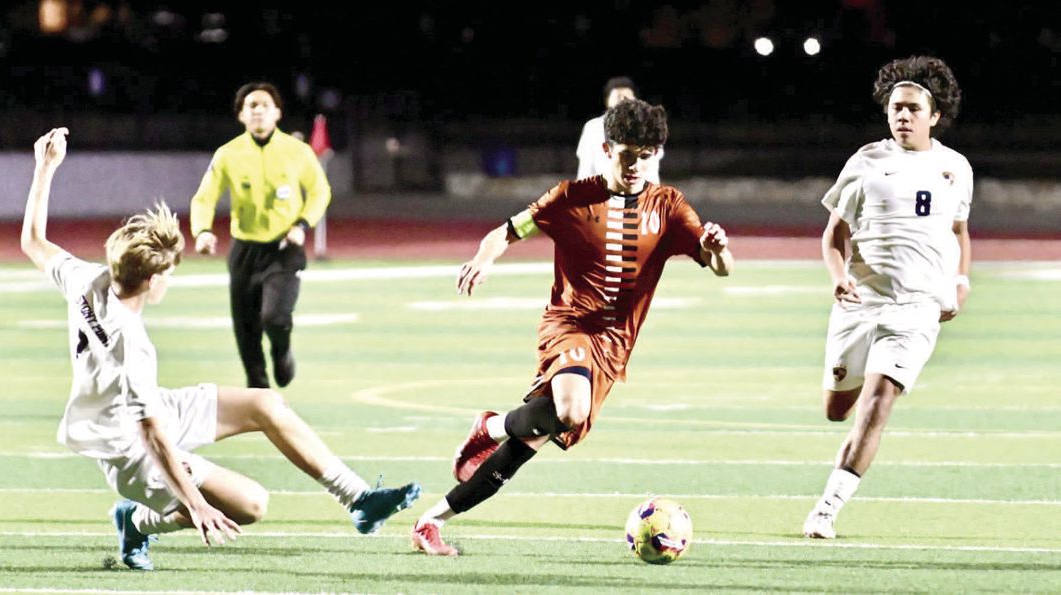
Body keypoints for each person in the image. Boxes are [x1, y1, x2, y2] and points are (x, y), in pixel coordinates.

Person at [21, 128, 419, 570]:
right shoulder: (130, 346)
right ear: (152, 281)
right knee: (250, 505)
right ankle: (139, 522)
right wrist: (195, 504)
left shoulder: (87, 279)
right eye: (169, 274)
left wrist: (45, 167)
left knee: (266, 404)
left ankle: (359, 500)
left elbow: (34, 243)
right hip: (126, 448)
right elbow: (153, 438)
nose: (169, 280)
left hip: (142, 410)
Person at [410, 99, 734, 556]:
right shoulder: (570, 198)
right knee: (570, 410)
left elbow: (720, 267)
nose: (638, 164)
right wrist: (483, 259)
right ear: (606, 149)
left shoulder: (670, 207)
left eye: (647, 155)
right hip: (569, 325)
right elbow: (506, 230)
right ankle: (492, 425)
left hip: (614, 347)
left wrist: (716, 248)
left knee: (527, 445)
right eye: (628, 154)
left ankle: (431, 519)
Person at [802, 56, 972, 539]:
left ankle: (826, 510)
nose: (903, 116)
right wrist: (838, 275)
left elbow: (960, 231)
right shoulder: (866, 162)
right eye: (896, 107)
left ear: (935, 115)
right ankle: (856, 408)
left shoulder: (955, 168)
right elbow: (834, 235)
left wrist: (960, 283)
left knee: (877, 405)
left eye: (914, 109)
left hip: (917, 310)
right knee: (837, 410)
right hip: (861, 305)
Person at [190, 82, 331, 389]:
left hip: (284, 247)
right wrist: (201, 231)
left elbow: (320, 190)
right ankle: (259, 393)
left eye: (264, 105)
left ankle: (282, 352)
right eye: (250, 106)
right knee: (246, 328)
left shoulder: (298, 152)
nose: (257, 111)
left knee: (275, 318)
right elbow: (204, 198)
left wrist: (302, 225)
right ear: (241, 116)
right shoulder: (228, 154)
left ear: (277, 113)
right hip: (244, 251)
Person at [576, 76, 662, 184]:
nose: (622, 100)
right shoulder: (592, 128)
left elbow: (651, 169)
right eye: (618, 96)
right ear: (607, 100)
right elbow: (585, 168)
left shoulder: (646, 126)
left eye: (627, 96)